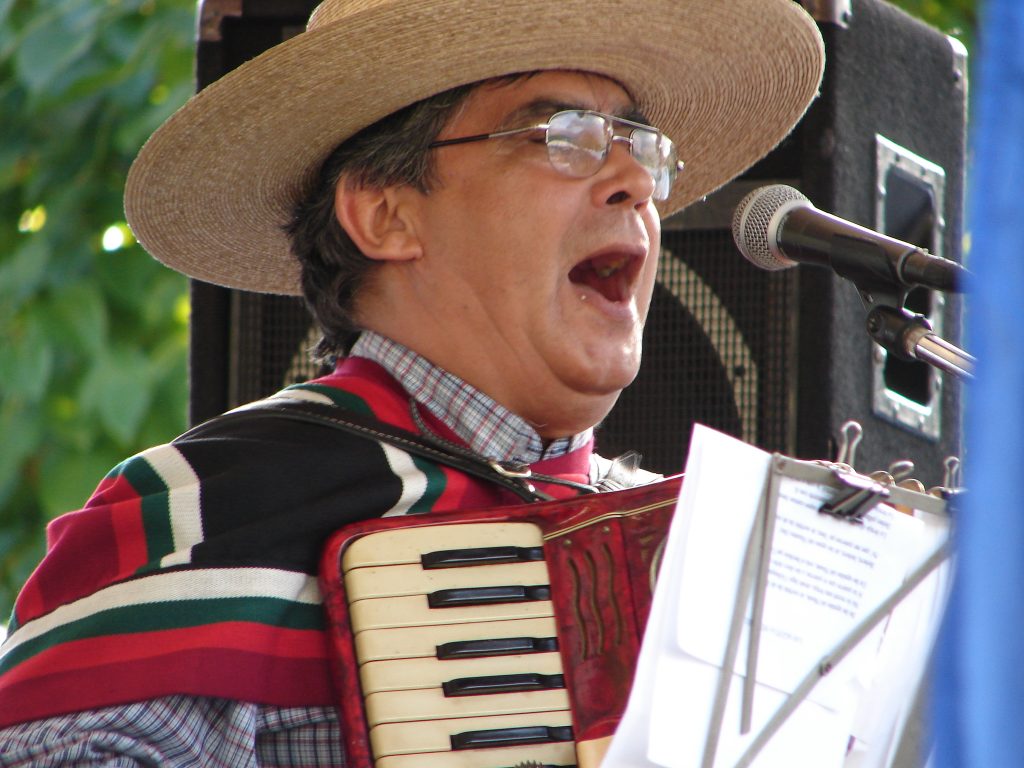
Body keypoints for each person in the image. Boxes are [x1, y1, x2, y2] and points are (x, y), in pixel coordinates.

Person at [0, 0, 823, 764]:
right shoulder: (196, 511)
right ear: (386, 215)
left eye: (642, 148)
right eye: (564, 136)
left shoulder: (707, 551)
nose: (636, 183)